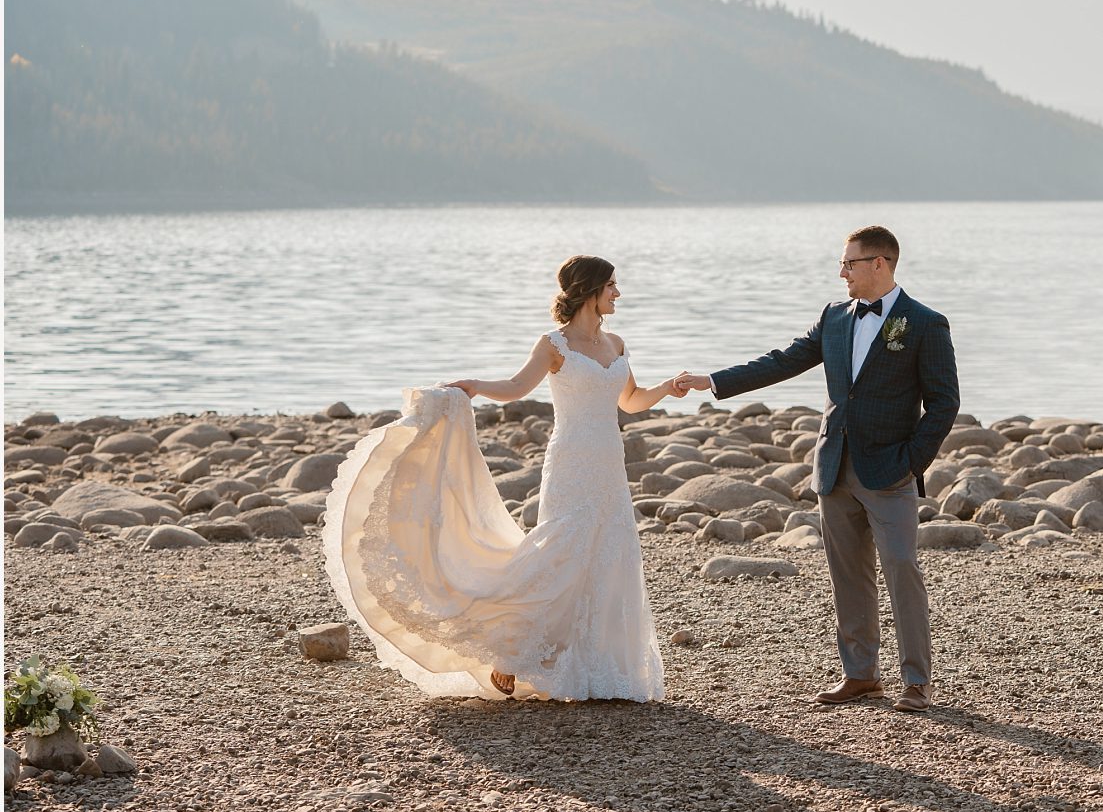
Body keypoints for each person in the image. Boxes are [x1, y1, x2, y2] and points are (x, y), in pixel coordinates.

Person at [322, 255, 681, 701]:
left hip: (609, 461)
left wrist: (667, 388)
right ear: (590, 290)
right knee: (559, 552)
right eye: (611, 285)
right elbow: (515, 388)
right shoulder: (554, 345)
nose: (618, 293)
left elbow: (629, 402)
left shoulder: (617, 343)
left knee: (610, 554)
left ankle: (595, 669)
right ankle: (507, 649)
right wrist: (473, 385)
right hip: (571, 460)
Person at [673, 225, 959, 713]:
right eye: (841, 263)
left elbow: (944, 403)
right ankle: (861, 676)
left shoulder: (925, 324)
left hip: (889, 472)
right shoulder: (833, 317)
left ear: (880, 264)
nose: (842, 271)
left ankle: (917, 681)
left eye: (849, 263)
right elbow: (782, 362)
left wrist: (910, 462)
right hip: (834, 468)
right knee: (848, 576)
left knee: (902, 570)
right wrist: (713, 380)